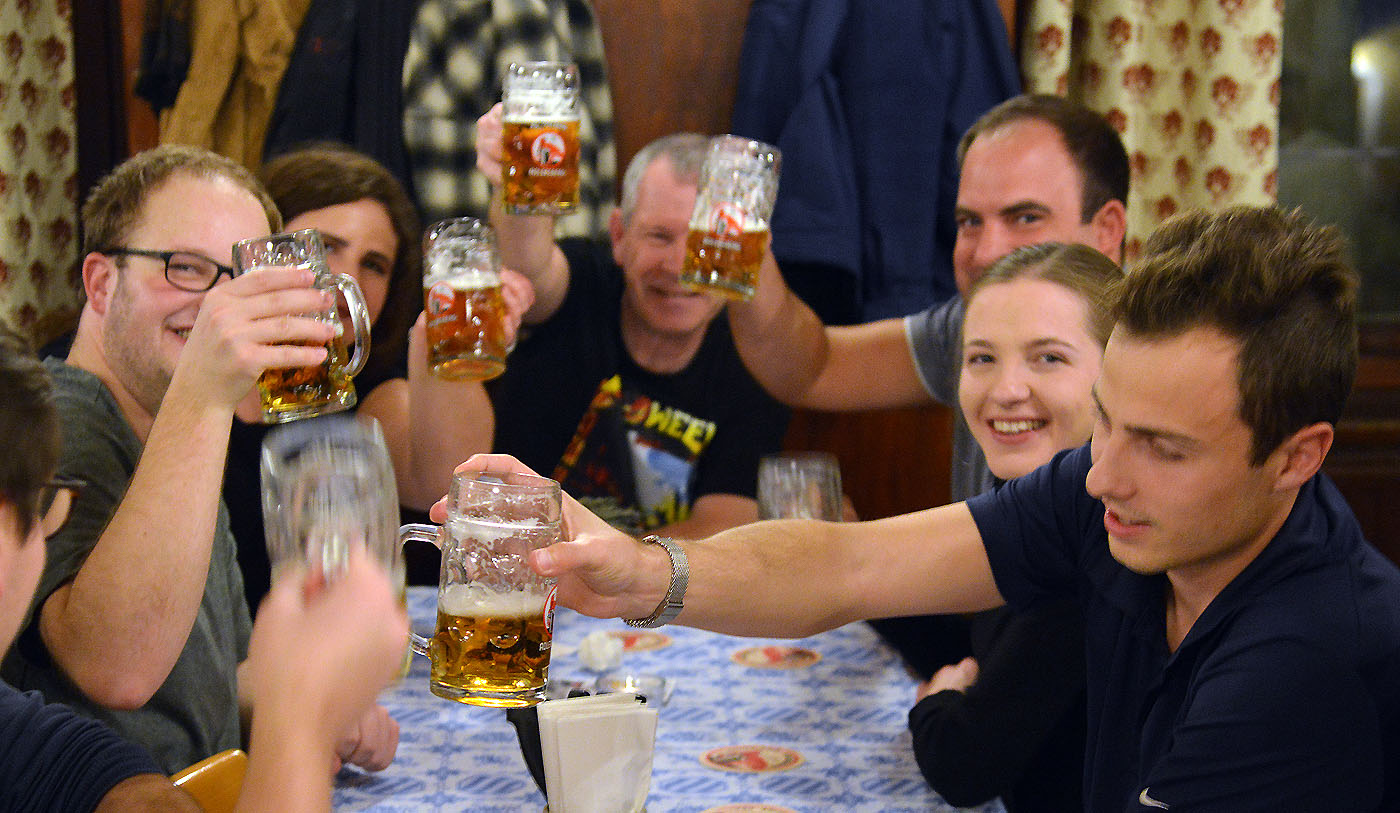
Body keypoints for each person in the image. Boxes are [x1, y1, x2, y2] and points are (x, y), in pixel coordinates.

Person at [454, 206, 1400, 812]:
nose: (1102, 475)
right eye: (1109, 420)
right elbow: (850, 562)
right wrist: (640, 569)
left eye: (1165, 447)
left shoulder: (1305, 663)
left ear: (1297, 457)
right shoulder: (1111, 492)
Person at [0, 144, 400, 775]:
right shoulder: (53, 422)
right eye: (185, 267)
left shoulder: (180, 425)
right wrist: (207, 393)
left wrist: (314, 702)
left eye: (241, 280)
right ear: (101, 283)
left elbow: (220, 678)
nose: (221, 306)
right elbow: (118, 671)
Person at [0, 332, 409, 812]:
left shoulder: (16, 727)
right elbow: (118, 674)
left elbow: (92, 773)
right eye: (44, 502)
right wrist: (298, 723)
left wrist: (297, 686)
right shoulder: (79, 417)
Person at [730, 93, 1129, 504]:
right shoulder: (972, 318)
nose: (987, 252)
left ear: (1108, 230)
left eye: (1026, 218)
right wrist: (740, 248)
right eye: (970, 222)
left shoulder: (1155, 347)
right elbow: (814, 370)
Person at [224, 142, 531, 607]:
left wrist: (438, 334)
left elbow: (445, 480)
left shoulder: (370, 388)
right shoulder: (189, 367)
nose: (346, 279)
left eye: (373, 265)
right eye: (326, 247)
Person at [474, 104, 789, 538]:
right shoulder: (585, 280)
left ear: (744, 251)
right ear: (619, 236)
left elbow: (722, 531)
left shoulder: (757, 356)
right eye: (660, 236)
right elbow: (526, 267)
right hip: (512, 564)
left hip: (640, 583)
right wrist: (515, 180)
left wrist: (595, 560)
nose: (679, 267)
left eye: (706, 239)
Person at [906, 241, 1120, 812]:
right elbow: (996, 647)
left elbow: (963, 763)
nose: (1005, 390)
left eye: (1047, 358)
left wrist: (934, 705)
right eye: (982, 359)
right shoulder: (1029, 505)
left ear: (1120, 372)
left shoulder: (1105, 536)